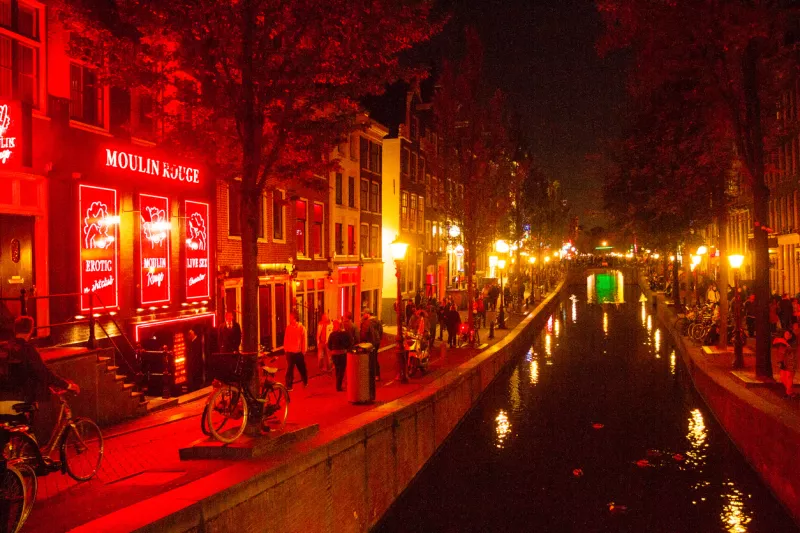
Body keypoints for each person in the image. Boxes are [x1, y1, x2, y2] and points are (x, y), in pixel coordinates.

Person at [0, 317, 79, 418]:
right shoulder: (28, 350)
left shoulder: (4, 348)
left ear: (15, 329)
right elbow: (44, 373)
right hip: (21, 400)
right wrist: (67, 386)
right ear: (31, 330)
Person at [283, 310, 308, 391]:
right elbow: (286, 339)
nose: (289, 319)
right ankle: (289, 385)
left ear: (295, 318)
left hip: (298, 352)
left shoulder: (301, 328)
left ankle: (305, 381)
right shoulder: (288, 328)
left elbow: (304, 340)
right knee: (289, 370)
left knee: (302, 368)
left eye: (291, 317)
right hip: (290, 352)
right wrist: (286, 349)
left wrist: (303, 351)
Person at [327, 320, 352, 391]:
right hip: (342, 353)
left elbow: (329, 344)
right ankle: (338, 385)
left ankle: (338, 384)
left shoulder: (332, 334)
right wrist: (347, 348)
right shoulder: (346, 334)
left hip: (334, 353)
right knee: (342, 369)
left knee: (337, 368)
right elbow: (350, 343)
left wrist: (332, 349)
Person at [360, 310, 383, 382]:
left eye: (364, 314)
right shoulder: (378, 321)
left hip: (369, 342)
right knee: (375, 357)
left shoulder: (366, 323)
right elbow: (381, 331)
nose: (363, 315)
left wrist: (362, 342)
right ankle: (377, 374)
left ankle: (371, 374)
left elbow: (364, 334)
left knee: (369, 358)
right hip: (376, 342)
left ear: (368, 314)